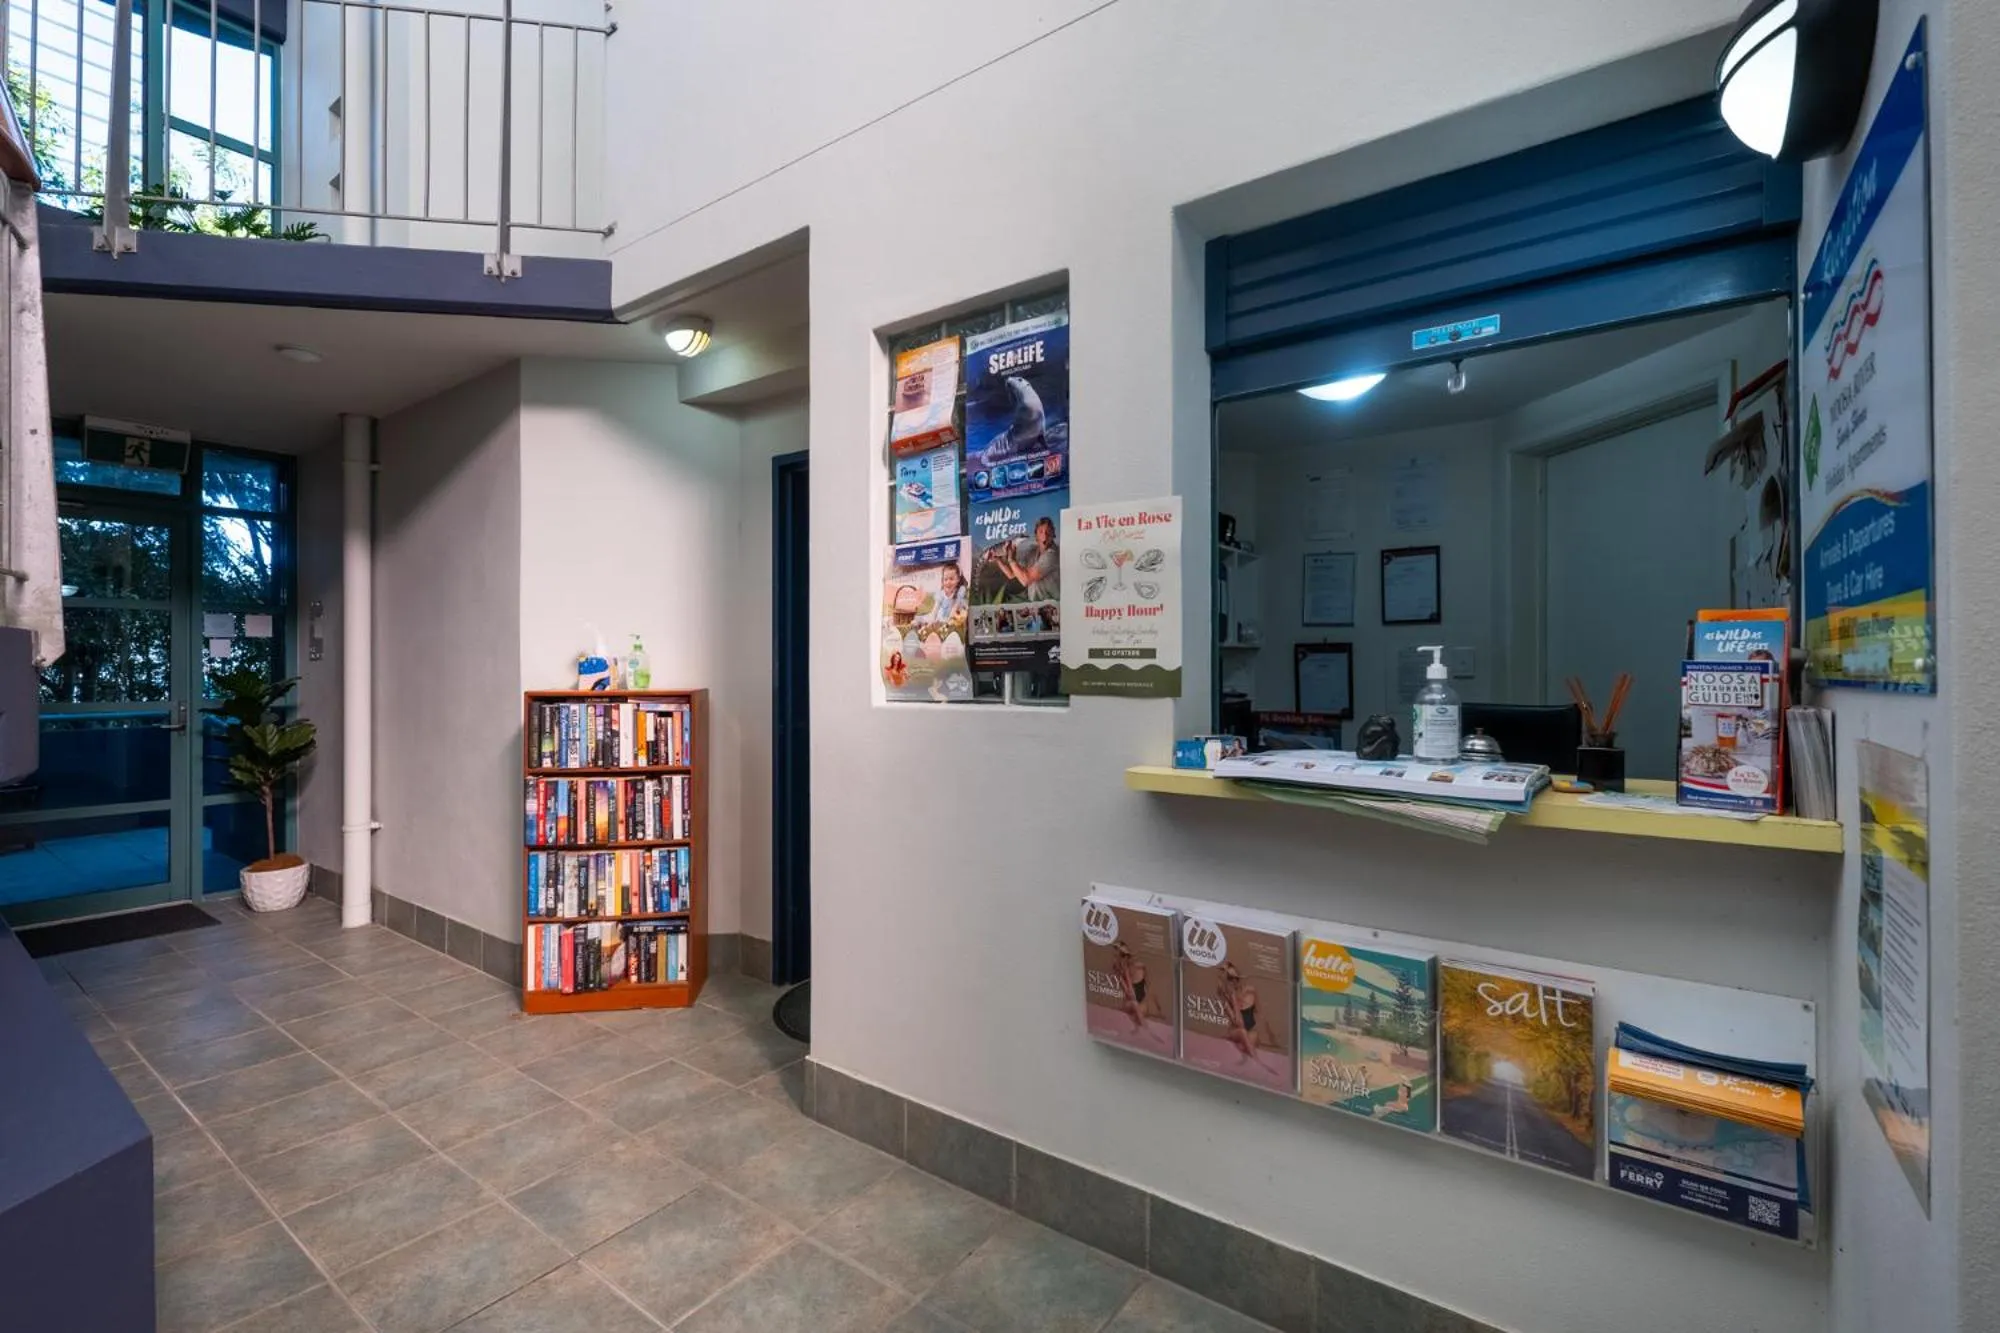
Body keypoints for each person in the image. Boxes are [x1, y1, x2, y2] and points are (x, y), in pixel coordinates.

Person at [997, 515, 1060, 603]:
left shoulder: (1052, 554)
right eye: (1041, 532)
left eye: (1048, 532)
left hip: (1051, 605)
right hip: (1035, 604)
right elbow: (1011, 574)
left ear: (1053, 534)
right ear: (1036, 535)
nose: (1044, 536)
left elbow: (1025, 580)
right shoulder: (1032, 552)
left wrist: (1011, 559)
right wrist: (998, 559)